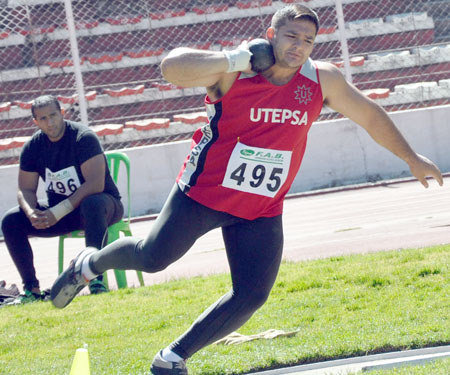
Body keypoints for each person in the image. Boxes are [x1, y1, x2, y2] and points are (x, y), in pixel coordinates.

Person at [50, 4, 443, 374]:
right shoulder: (235, 72)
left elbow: (370, 115)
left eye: (308, 41)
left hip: (261, 205)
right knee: (153, 258)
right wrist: (235, 58)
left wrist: (410, 157)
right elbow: (171, 67)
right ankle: (89, 265)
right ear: (270, 34)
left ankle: (172, 358)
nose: (298, 47)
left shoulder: (323, 79)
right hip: (203, 193)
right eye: (290, 36)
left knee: (252, 294)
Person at [1, 95, 123, 304]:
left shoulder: (83, 138)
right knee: (11, 220)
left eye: (53, 115)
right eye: (43, 118)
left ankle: (96, 280)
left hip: (103, 207)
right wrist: (32, 213)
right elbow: (26, 188)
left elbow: (96, 184)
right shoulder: (33, 147)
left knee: (92, 204)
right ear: (35, 122)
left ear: (62, 113)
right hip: (61, 213)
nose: (50, 122)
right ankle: (32, 289)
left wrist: (58, 211)